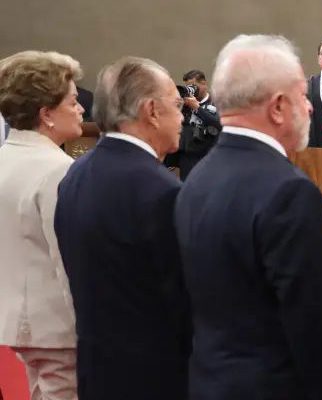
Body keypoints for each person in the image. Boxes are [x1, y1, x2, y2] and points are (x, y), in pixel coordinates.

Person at [175, 34, 322, 400]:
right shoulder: (290, 194)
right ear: (279, 107)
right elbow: (319, 331)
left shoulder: (196, 181)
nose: (310, 108)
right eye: (303, 96)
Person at [54, 57, 190, 400]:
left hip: (96, 369)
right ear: (151, 111)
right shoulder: (161, 190)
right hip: (154, 376)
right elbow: (183, 298)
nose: (183, 117)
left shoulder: (75, 174)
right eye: (176, 105)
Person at [0, 50, 83, 400]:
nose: (81, 109)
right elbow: (67, 258)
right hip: (57, 326)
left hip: (19, 317)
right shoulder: (57, 170)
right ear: (46, 113)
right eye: (73, 102)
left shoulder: (6, 158)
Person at [169, 69, 221, 179]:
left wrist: (197, 108)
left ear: (204, 83)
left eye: (193, 86)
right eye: (188, 87)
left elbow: (218, 124)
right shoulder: (185, 105)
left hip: (206, 156)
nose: (192, 90)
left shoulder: (217, 102)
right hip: (186, 157)